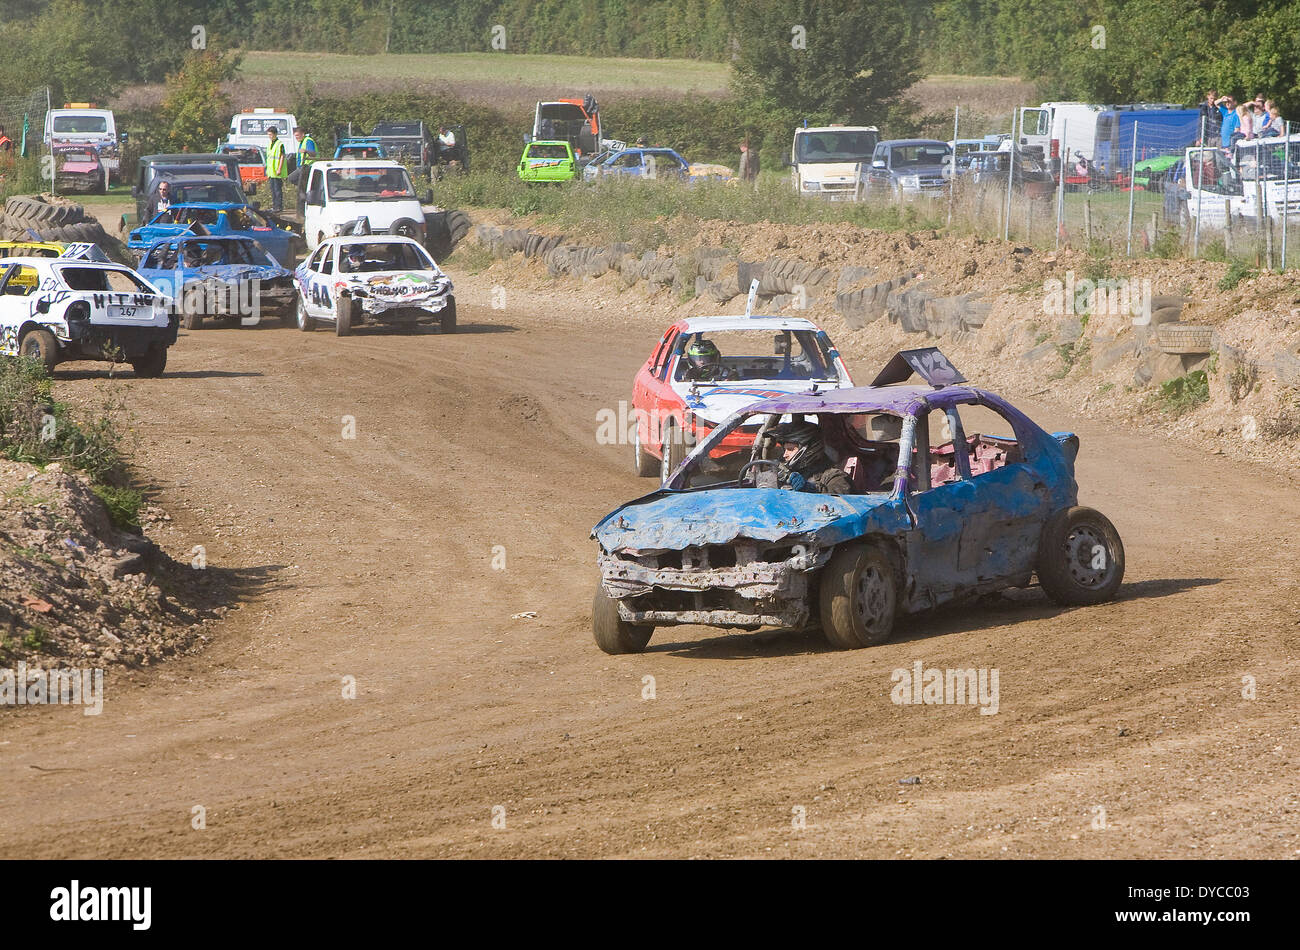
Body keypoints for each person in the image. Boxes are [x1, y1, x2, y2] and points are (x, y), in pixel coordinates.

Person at [767, 421, 852, 495]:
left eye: (790, 449)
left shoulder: (835, 477)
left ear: (808, 450)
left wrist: (810, 489)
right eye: (785, 450)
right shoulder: (783, 475)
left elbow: (838, 503)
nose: (785, 455)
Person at [264, 126, 288, 212]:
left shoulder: (279, 144)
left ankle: (279, 206)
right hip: (271, 171)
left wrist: (279, 169)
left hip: (277, 171)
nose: (269, 136)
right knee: (273, 190)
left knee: (277, 190)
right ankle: (274, 206)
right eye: (268, 135)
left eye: (270, 134)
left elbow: (282, 156)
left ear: (275, 134)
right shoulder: (270, 144)